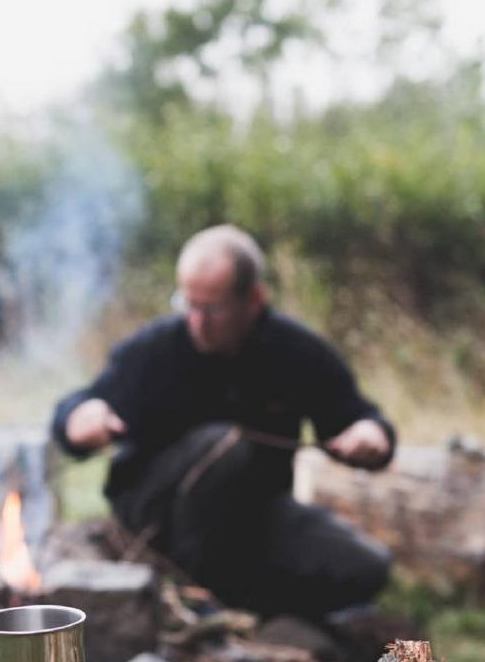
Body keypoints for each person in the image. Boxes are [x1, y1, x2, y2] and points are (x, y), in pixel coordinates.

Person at [51, 224, 395, 625]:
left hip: (254, 519)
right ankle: (191, 589)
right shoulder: (156, 349)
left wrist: (372, 437)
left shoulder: (296, 353)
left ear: (254, 299)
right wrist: (79, 420)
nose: (197, 321)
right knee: (226, 445)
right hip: (154, 519)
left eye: (212, 309)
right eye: (188, 304)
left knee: (366, 566)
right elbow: (76, 410)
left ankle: (244, 601)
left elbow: (358, 417)